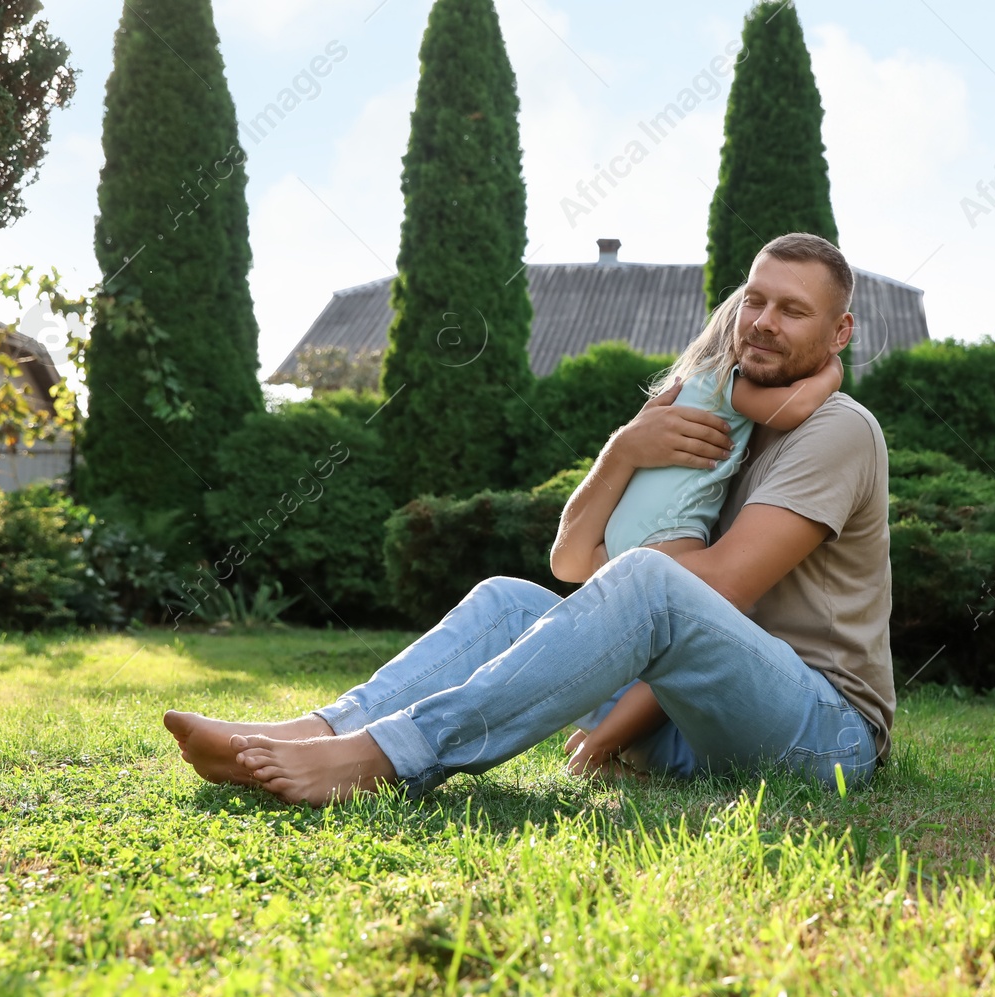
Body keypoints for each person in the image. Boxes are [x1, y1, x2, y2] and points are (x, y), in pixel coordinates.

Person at [163, 232, 894, 806]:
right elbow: (572, 565)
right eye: (755, 301)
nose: (762, 323)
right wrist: (621, 451)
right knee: (507, 601)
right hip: (696, 728)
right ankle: (309, 732)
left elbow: (722, 587)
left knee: (644, 579)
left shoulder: (837, 431)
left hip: (822, 738)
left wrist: (626, 597)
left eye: (792, 310)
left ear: (840, 333)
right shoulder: (717, 418)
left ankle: (379, 758)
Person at [562, 285, 845, 778]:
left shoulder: (688, 387)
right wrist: (830, 374)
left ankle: (600, 736)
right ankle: (596, 751)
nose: (766, 327)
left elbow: (567, 562)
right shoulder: (728, 382)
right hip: (665, 540)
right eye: (757, 314)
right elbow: (794, 410)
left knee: (661, 649)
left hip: (624, 538)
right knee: (684, 640)